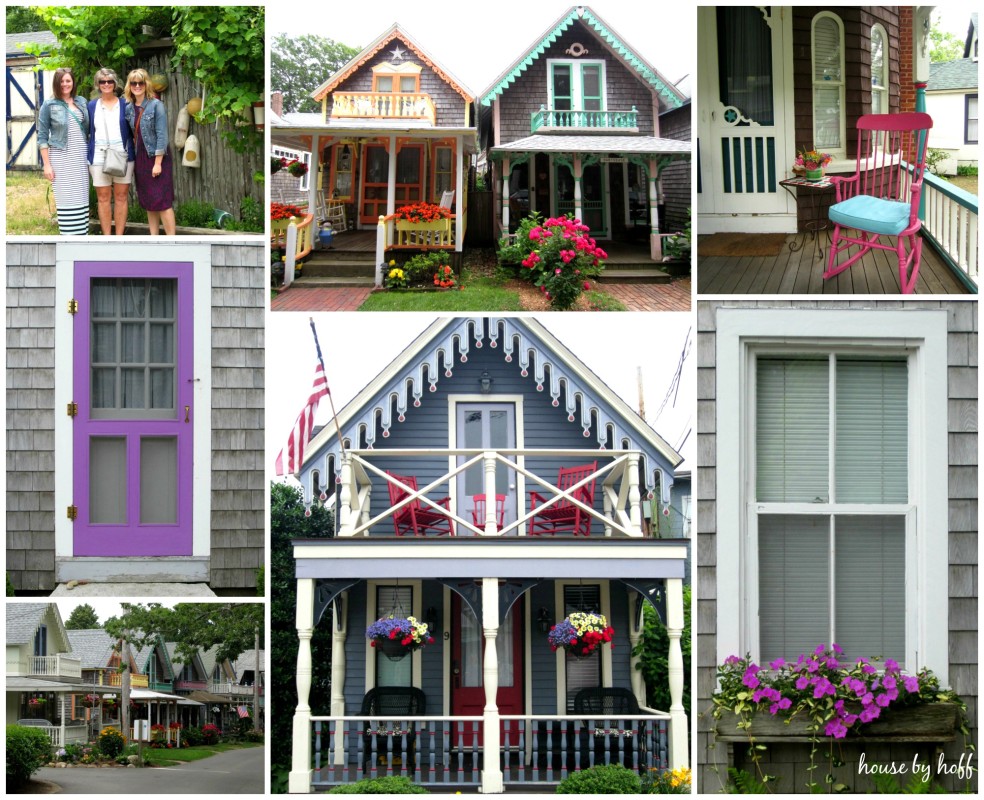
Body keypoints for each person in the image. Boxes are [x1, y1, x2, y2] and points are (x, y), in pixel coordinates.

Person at [37, 68, 91, 235]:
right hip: (61, 156)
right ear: (56, 83)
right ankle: (69, 237)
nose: (65, 84)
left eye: (68, 81)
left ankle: (82, 237)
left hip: (80, 156)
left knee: (81, 196)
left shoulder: (81, 101)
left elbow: (88, 130)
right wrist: (47, 165)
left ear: (73, 82)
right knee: (66, 197)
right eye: (62, 81)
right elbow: (42, 136)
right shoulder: (49, 104)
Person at [124, 68, 176, 235]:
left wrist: (158, 163)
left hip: (156, 157)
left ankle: (172, 242)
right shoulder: (129, 108)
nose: (137, 86)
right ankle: (154, 239)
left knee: (163, 201)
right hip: (140, 159)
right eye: (134, 83)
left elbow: (162, 136)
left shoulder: (156, 105)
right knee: (149, 201)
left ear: (146, 85)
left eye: (141, 82)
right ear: (129, 85)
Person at [87, 68, 135, 236]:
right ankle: (107, 238)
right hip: (99, 156)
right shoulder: (92, 106)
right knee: (103, 198)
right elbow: (88, 131)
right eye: (102, 81)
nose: (106, 84)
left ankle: (119, 237)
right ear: (98, 85)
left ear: (115, 83)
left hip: (122, 155)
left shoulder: (126, 104)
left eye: (109, 81)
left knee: (121, 197)